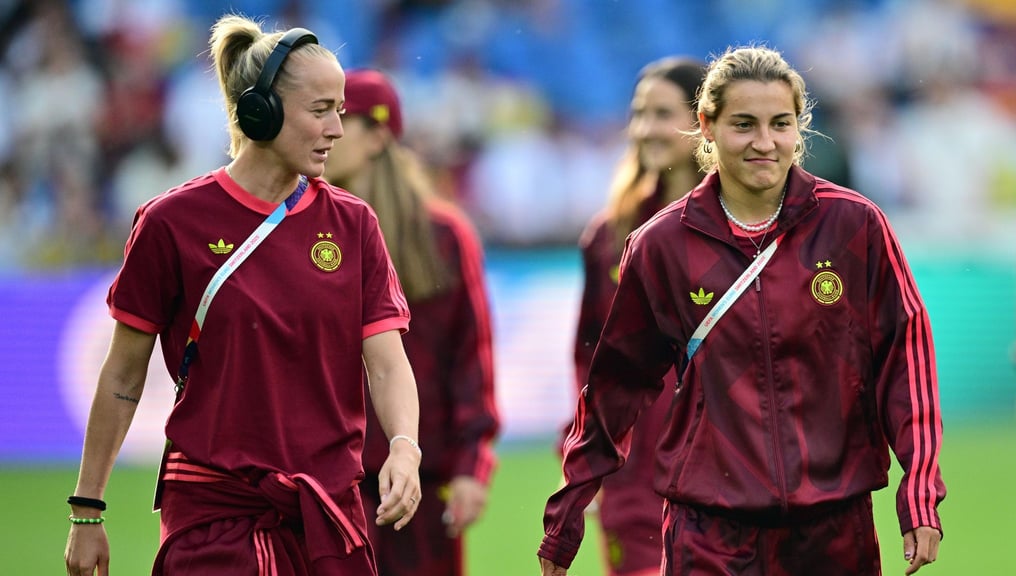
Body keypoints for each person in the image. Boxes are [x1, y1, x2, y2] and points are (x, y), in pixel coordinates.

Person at [540, 45, 945, 576]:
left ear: (799, 128)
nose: (764, 142)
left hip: (834, 528)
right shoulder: (659, 244)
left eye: (780, 124)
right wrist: (567, 512)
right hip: (709, 530)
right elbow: (614, 384)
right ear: (706, 125)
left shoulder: (854, 226)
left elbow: (905, 360)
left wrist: (918, 489)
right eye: (744, 124)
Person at [64, 15, 422, 576]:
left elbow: (386, 361)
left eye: (341, 111)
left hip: (329, 517)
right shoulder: (169, 223)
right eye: (320, 110)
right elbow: (122, 378)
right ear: (264, 111)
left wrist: (404, 444)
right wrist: (87, 510)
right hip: (213, 520)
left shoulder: (354, 224)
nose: (337, 130)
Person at [323, 69, 500, 576]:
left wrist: (471, 467)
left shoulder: (444, 236)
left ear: (377, 135)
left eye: (338, 118)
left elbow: (471, 360)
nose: (324, 132)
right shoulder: (298, 230)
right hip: (322, 479)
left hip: (417, 477)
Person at [566, 56, 705, 576]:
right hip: (631, 481)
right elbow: (588, 359)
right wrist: (585, 453)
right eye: (638, 113)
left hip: (724, 478)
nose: (645, 128)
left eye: (662, 113)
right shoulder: (607, 238)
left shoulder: (743, 234)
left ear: (702, 123)